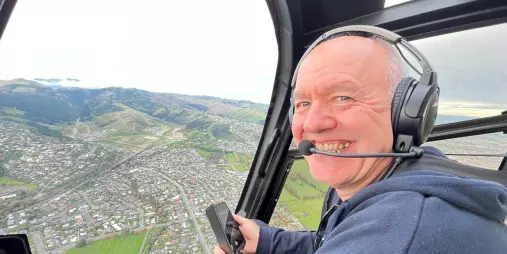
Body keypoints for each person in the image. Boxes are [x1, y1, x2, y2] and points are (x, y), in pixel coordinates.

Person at [214, 27, 507, 254]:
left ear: (408, 113)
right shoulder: (387, 176)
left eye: (343, 97)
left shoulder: (397, 236)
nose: (313, 124)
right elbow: (331, 241)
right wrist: (268, 241)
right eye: (303, 103)